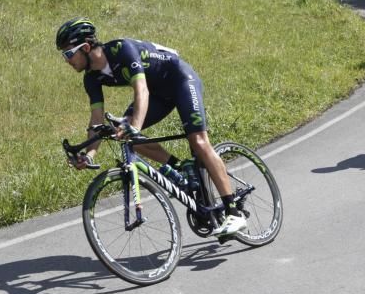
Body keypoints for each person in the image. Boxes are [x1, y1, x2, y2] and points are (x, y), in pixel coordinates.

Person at [56, 17, 247, 236]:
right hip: (159, 94)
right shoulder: (91, 79)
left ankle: (234, 213)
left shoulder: (121, 50)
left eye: (68, 53)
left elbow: (141, 91)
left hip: (181, 81)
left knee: (198, 140)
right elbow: (96, 119)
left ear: (86, 47)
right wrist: (89, 154)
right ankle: (179, 167)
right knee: (121, 132)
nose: (66, 60)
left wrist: (134, 127)